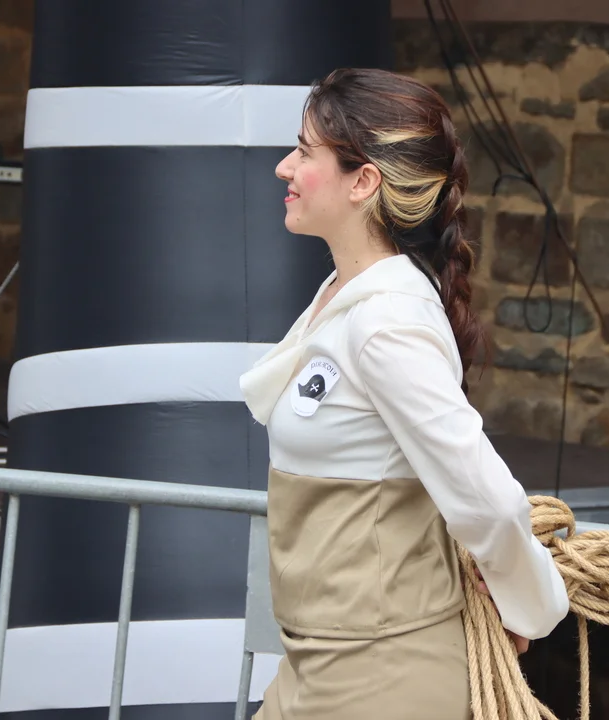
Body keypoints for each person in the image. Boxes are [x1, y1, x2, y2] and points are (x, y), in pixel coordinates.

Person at [239, 67, 569, 720]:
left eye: (304, 152)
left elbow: (485, 496)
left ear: (363, 181)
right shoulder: (349, 297)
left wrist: (529, 606)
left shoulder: (387, 323)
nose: (284, 168)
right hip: (319, 663)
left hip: (382, 676)